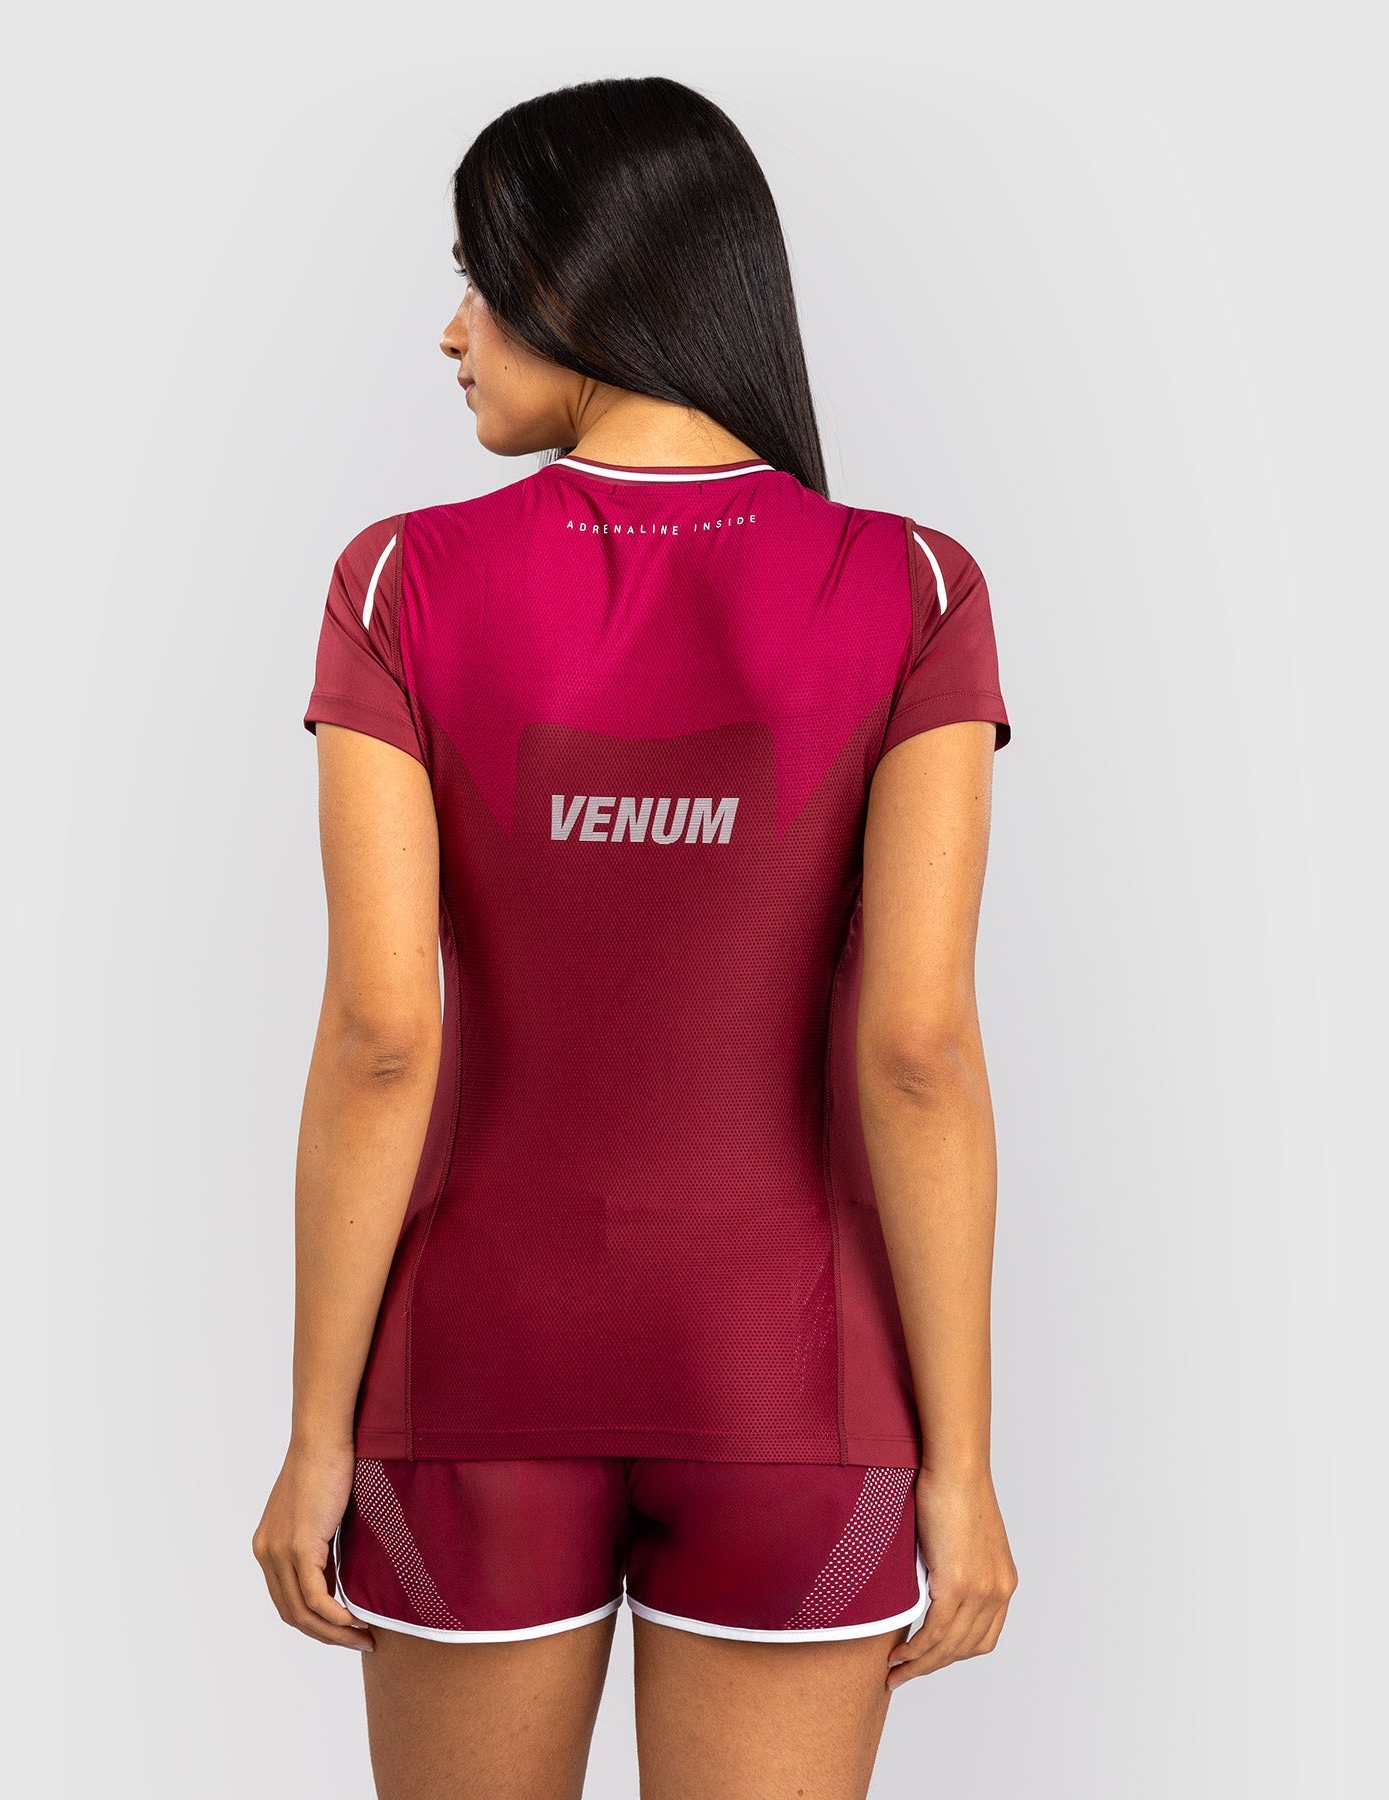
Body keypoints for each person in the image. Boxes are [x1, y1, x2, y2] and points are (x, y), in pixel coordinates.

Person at [253, 74, 1018, 1800]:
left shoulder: (401, 585)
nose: (452, 330)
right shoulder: (911, 588)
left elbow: (382, 1038)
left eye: (480, 274)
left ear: (585, 276)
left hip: (471, 1386)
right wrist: (961, 1464)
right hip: (797, 1398)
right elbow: (919, 1048)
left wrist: (313, 1435)